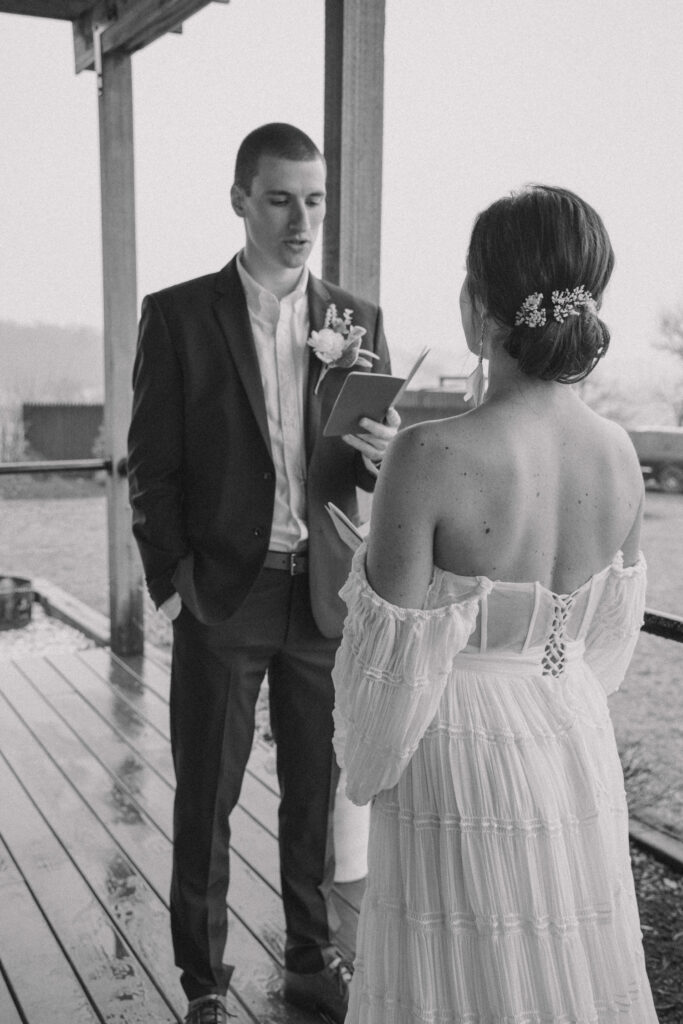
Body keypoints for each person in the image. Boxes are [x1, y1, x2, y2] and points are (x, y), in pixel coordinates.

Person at [332, 185, 660, 1022]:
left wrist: (360, 568)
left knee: (461, 973)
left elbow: (384, 685)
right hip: (566, 726)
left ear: (480, 309)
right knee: (561, 965)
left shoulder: (429, 453)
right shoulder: (620, 455)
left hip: (455, 741)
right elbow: (600, 650)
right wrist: (538, 666)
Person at [127, 122, 399, 1024]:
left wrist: (383, 454)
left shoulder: (355, 321)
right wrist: (173, 586)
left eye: (314, 199)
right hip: (223, 596)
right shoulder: (176, 315)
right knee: (207, 792)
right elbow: (152, 469)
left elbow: (358, 473)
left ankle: (312, 957)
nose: (300, 219)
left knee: (313, 794)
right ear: (240, 197)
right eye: (280, 198)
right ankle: (204, 982)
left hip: (320, 594)